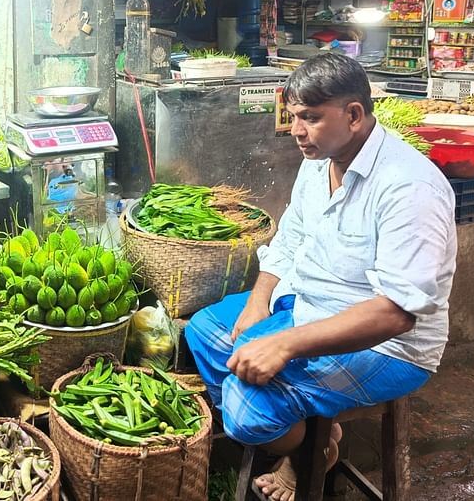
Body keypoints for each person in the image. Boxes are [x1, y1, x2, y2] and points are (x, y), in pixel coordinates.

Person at [185, 52, 457, 501]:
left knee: (247, 413)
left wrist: (284, 344)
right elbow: (289, 240)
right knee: (205, 333)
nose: (295, 131)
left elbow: (396, 315)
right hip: (307, 306)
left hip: (389, 347)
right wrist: (257, 305)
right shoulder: (317, 162)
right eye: (293, 116)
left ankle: (303, 452)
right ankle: (316, 434)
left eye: (310, 118)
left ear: (353, 115)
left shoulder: (410, 188)